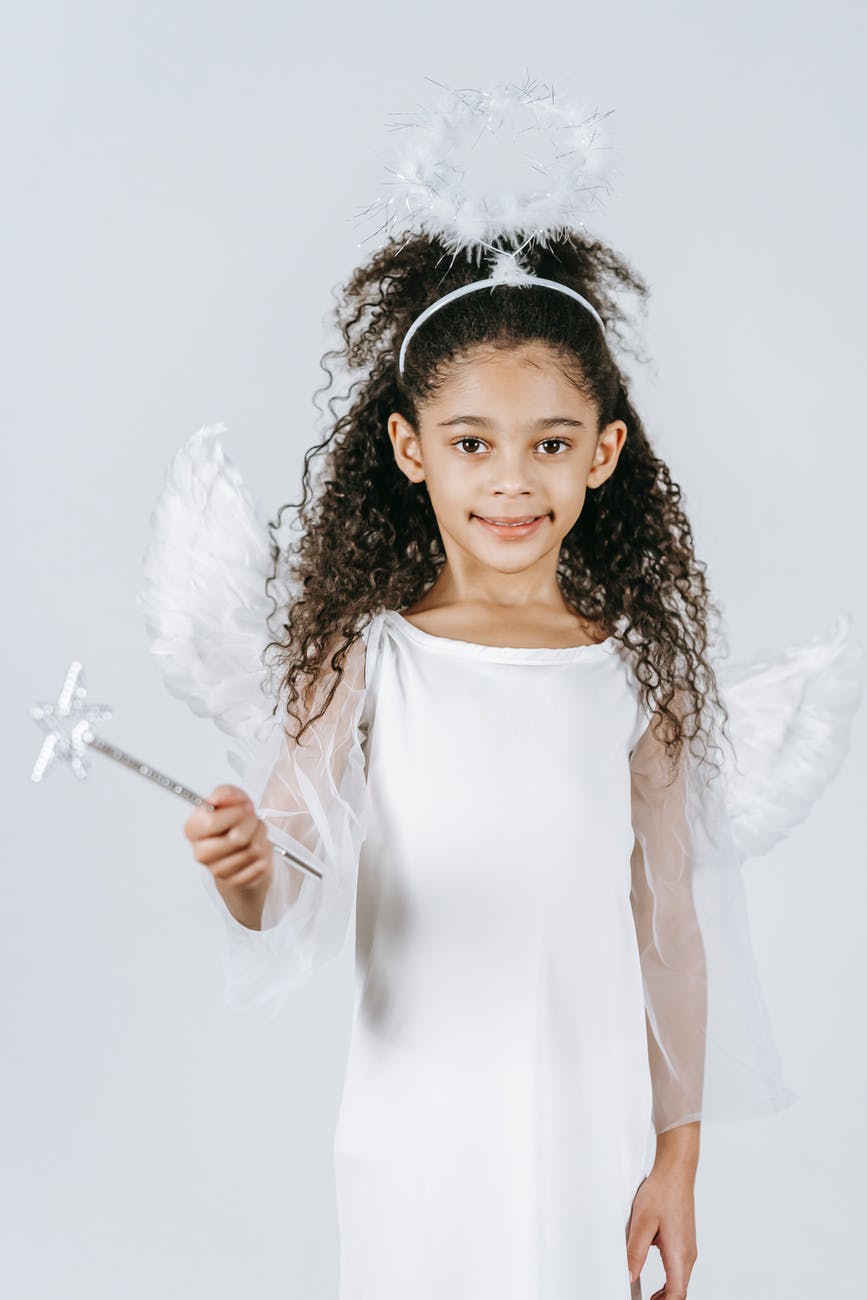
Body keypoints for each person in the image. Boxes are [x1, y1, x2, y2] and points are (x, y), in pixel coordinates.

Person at [176, 224, 814, 1300]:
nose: (512, 481)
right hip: (415, 1139)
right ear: (410, 445)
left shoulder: (628, 680)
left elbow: (670, 933)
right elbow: (285, 873)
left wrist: (678, 1160)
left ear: (604, 451)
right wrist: (245, 869)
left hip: (584, 1137)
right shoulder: (372, 659)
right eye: (472, 443)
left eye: (550, 443)